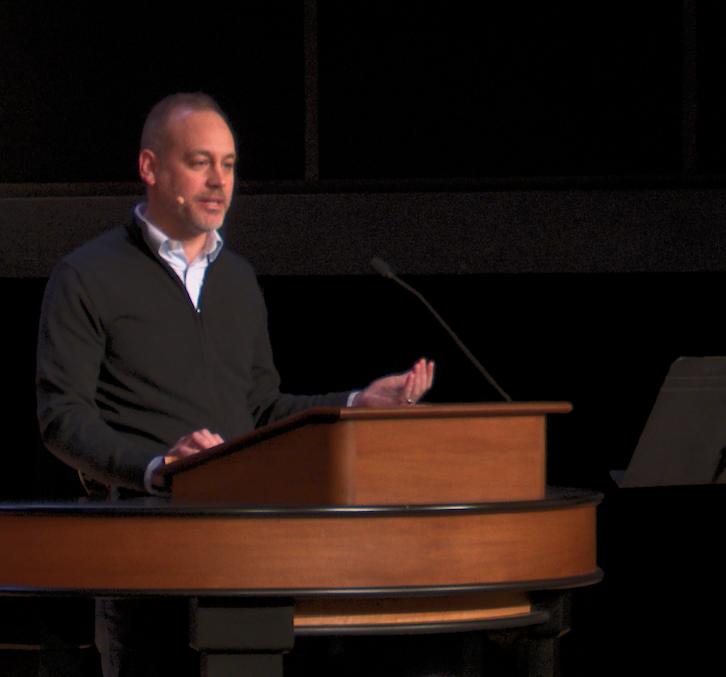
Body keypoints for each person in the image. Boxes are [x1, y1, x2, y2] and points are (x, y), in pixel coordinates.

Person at [35, 92, 434, 676]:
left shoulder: (239, 280)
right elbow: (62, 419)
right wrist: (156, 468)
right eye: (200, 162)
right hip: (141, 548)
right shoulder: (87, 275)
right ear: (150, 167)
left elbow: (262, 407)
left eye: (228, 164)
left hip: (245, 543)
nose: (219, 181)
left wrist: (356, 403)